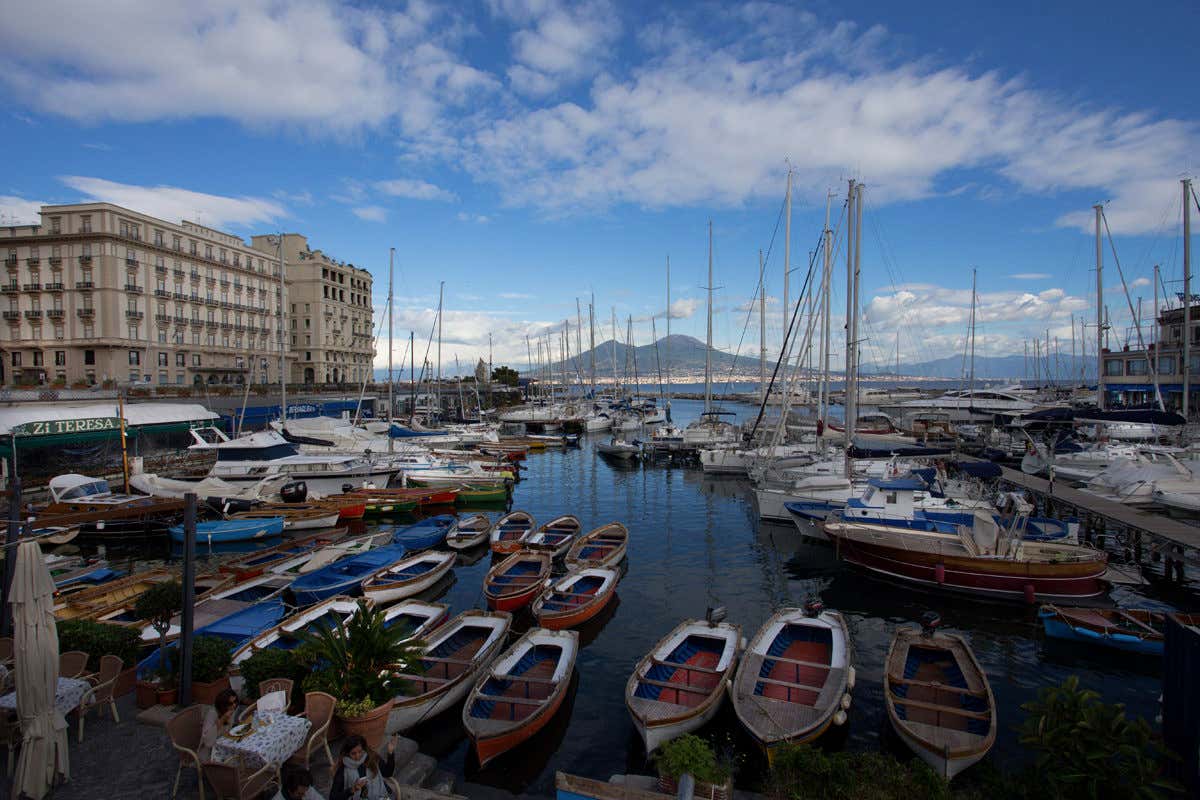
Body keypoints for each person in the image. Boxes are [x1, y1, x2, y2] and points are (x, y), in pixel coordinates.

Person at [330, 734, 397, 800]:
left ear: (364, 749)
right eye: (353, 753)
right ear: (347, 753)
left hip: (380, 796)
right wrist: (352, 789)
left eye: (360, 751)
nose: (357, 756)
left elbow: (388, 773)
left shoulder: (372, 758)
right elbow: (333, 797)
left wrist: (390, 753)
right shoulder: (343, 769)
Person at [198, 688, 238, 761]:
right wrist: (223, 719)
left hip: (225, 743)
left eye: (235, 701)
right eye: (230, 703)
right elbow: (207, 740)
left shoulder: (230, 709)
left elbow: (228, 729)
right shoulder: (212, 713)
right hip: (211, 751)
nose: (234, 705)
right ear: (223, 705)